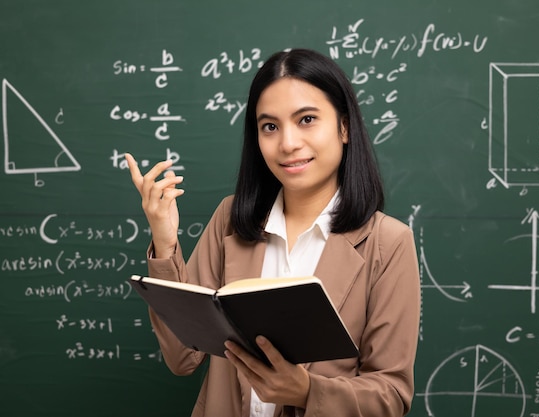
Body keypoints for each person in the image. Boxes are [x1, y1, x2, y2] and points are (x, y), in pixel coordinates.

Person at [125, 48, 420, 417]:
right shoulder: (231, 219)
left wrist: (307, 391)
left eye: (307, 119)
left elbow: (391, 394)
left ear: (344, 127)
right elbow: (183, 358)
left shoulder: (387, 242)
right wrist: (166, 243)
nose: (288, 143)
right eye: (270, 126)